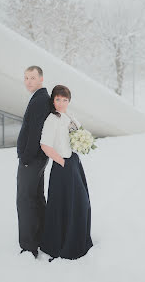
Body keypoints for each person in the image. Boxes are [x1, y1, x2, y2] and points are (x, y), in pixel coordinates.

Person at [39, 84, 93, 262]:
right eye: (57, 99)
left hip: (74, 164)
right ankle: (61, 243)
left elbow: (78, 134)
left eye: (64, 100)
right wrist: (61, 161)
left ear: (69, 101)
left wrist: (83, 144)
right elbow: (45, 145)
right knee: (65, 205)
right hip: (62, 166)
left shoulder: (70, 116)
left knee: (81, 202)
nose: (61, 103)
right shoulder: (52, 119)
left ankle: (77, 239)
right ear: (53, 100)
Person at [16, 66, 51, 259]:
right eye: (26, 78)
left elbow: (35, 132)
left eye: (32, 77)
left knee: (25, 200)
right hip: (37, 158)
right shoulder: (40, 98)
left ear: (41, 79)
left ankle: (29, 246)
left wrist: (26, 158)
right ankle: (41, 237)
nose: (28, 81)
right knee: (36, 199)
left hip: (32, 159)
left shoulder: (39, 100)